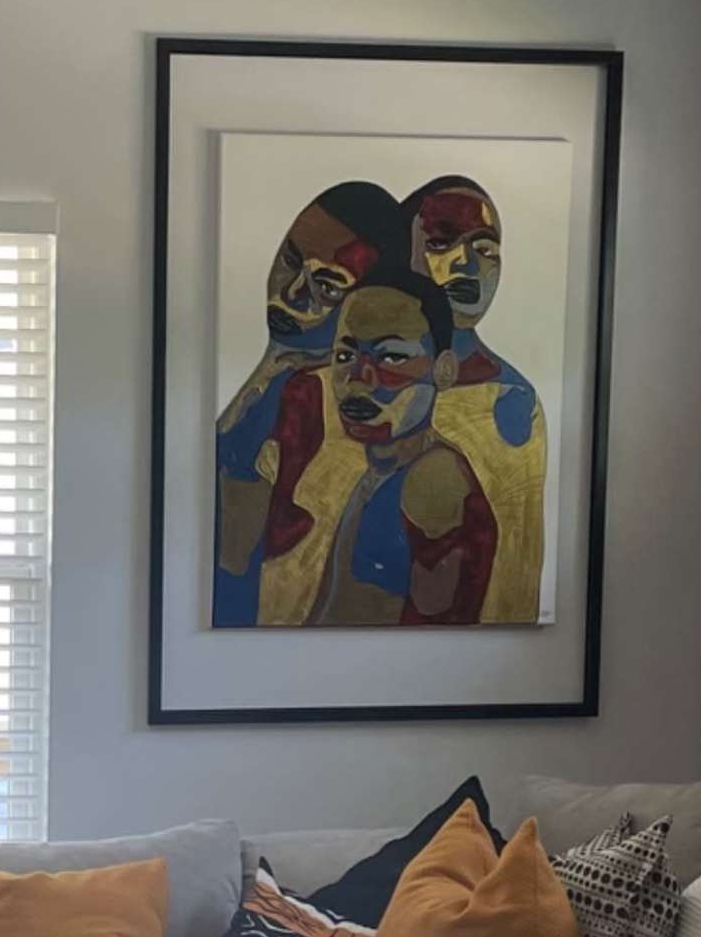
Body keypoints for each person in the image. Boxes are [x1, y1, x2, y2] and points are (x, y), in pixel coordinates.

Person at [256, 270, 519, 627]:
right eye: (346, 356)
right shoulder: (384, 470)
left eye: (392, 357)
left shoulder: (433, 477)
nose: (360, 379)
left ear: (443, 370)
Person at [213, 182, 403, 626]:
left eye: (328, 286)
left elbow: (239, 553)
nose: (293, 293)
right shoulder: (271, 375)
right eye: (290, 262)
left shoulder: (311, 401)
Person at [405, 173, 544, 623]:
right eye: (441, 244)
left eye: (485, 250)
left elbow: (517, 570)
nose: (467, 265)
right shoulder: (353, 388)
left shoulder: (513, 399)